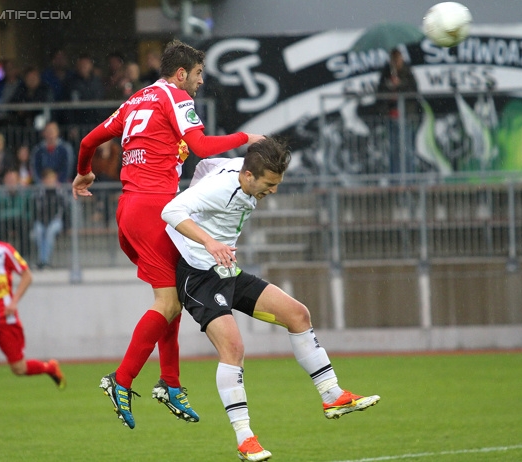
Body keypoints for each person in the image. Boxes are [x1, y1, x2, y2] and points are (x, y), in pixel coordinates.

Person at [72, 39, 264, 430]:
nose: (199, 82)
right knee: (167, 303)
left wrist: (84, 171)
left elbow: (88, 141)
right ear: (181, 73)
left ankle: (171, 383)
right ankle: (121, 380)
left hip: (128, 210)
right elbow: (202, 147)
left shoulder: (135, 100)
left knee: (172, 294)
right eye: (197, 74)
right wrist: (246, 139)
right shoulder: (176, 97)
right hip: (155, 210)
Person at [161, 138, 380, 461]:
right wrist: (209, 242)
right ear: (249, 176)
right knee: (233, 349)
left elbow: (207, 164)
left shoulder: (243, 169)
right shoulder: (224, 188)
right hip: (199, 276)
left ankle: (332, 395)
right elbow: (171, 209)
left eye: (277, 184)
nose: (273, 191)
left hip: (227, 270)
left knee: (297, 314)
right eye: (269, 184)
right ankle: (245, 438)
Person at [0, 211, 66, 425]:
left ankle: (49, 367)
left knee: (19, 369)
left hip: (6, 320)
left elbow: (27, 274)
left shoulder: (4, 251)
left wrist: (14, 301)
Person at [376, 48, 421, 176]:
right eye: (393, 59)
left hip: (405, 116)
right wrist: (389, 85)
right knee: (394, 150)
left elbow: (413, 91)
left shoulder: (407, 73)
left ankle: (409, 179)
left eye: (398, 59)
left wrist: (399, 84)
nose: (396, 62)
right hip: (391, 116)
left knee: (407, 149)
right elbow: (380, 92)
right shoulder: (386, 73)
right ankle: (395, 180)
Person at [33, 169, 68, 269]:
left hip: (56, 220)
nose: (50, 181)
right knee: (38, 232)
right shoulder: (39, 193)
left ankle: (45, 261)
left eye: (52, 179)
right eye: (48, 179)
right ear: (44, 180)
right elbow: (36, 210)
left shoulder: (60, 192)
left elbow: (64, 209)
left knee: (50, 232)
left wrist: (66, 225)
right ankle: (42, 260)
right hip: (41, 220)